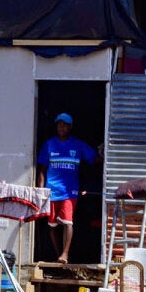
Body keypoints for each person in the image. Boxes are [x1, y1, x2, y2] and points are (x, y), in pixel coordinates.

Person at [35, 113, 99, 264]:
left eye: (64, 125)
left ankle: (65, 254)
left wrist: (107, 151)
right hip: (52, 190)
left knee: (68, 222)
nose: (61, 127)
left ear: (70, 127)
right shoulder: (49, 144)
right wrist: (40, 190)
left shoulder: (78, 145)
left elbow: (95, 158)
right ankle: (59, 255)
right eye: (59, 125)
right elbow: (42, 169)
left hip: (70, 191)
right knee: (52, 225)